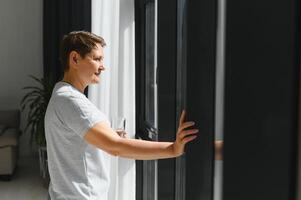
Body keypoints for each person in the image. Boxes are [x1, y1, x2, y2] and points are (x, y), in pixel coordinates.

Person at [45, 31, 199, 200]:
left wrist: (105, 138)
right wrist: (173, 149)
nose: (103, 66)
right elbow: (115, 147)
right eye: (97, 59)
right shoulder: (71, 101)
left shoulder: (62, 95)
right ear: (75, 59)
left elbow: (74, 143)